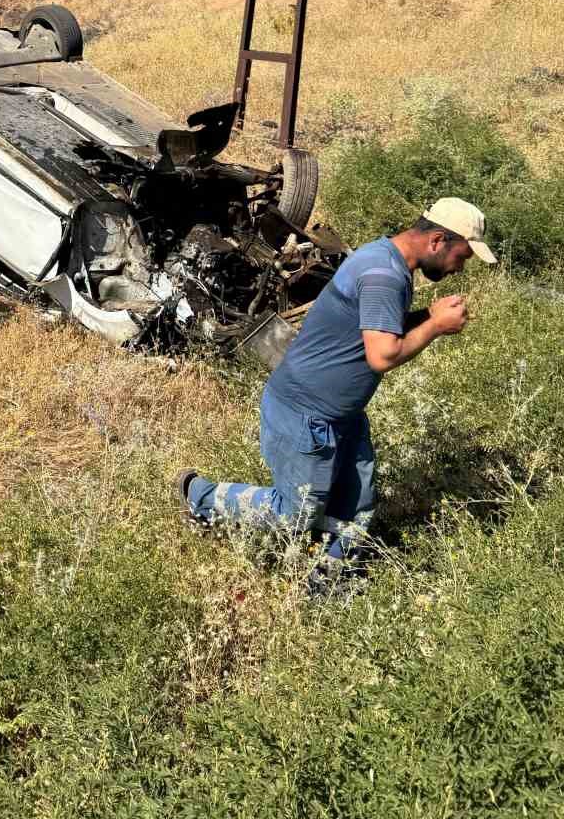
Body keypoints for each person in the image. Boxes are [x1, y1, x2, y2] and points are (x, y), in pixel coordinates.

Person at [176, 198, 497, 583]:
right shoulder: (385, 275)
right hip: (305, 415)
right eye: (461, 257)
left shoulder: (386, 258)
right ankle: (200, 496)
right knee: (294, 515)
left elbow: (377, 328)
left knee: (356, 507)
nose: (460, 268)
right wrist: (435, 326)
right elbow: (382, 355)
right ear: (438, 240)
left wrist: (427, 315)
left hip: (339, 415)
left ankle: (326, 587)